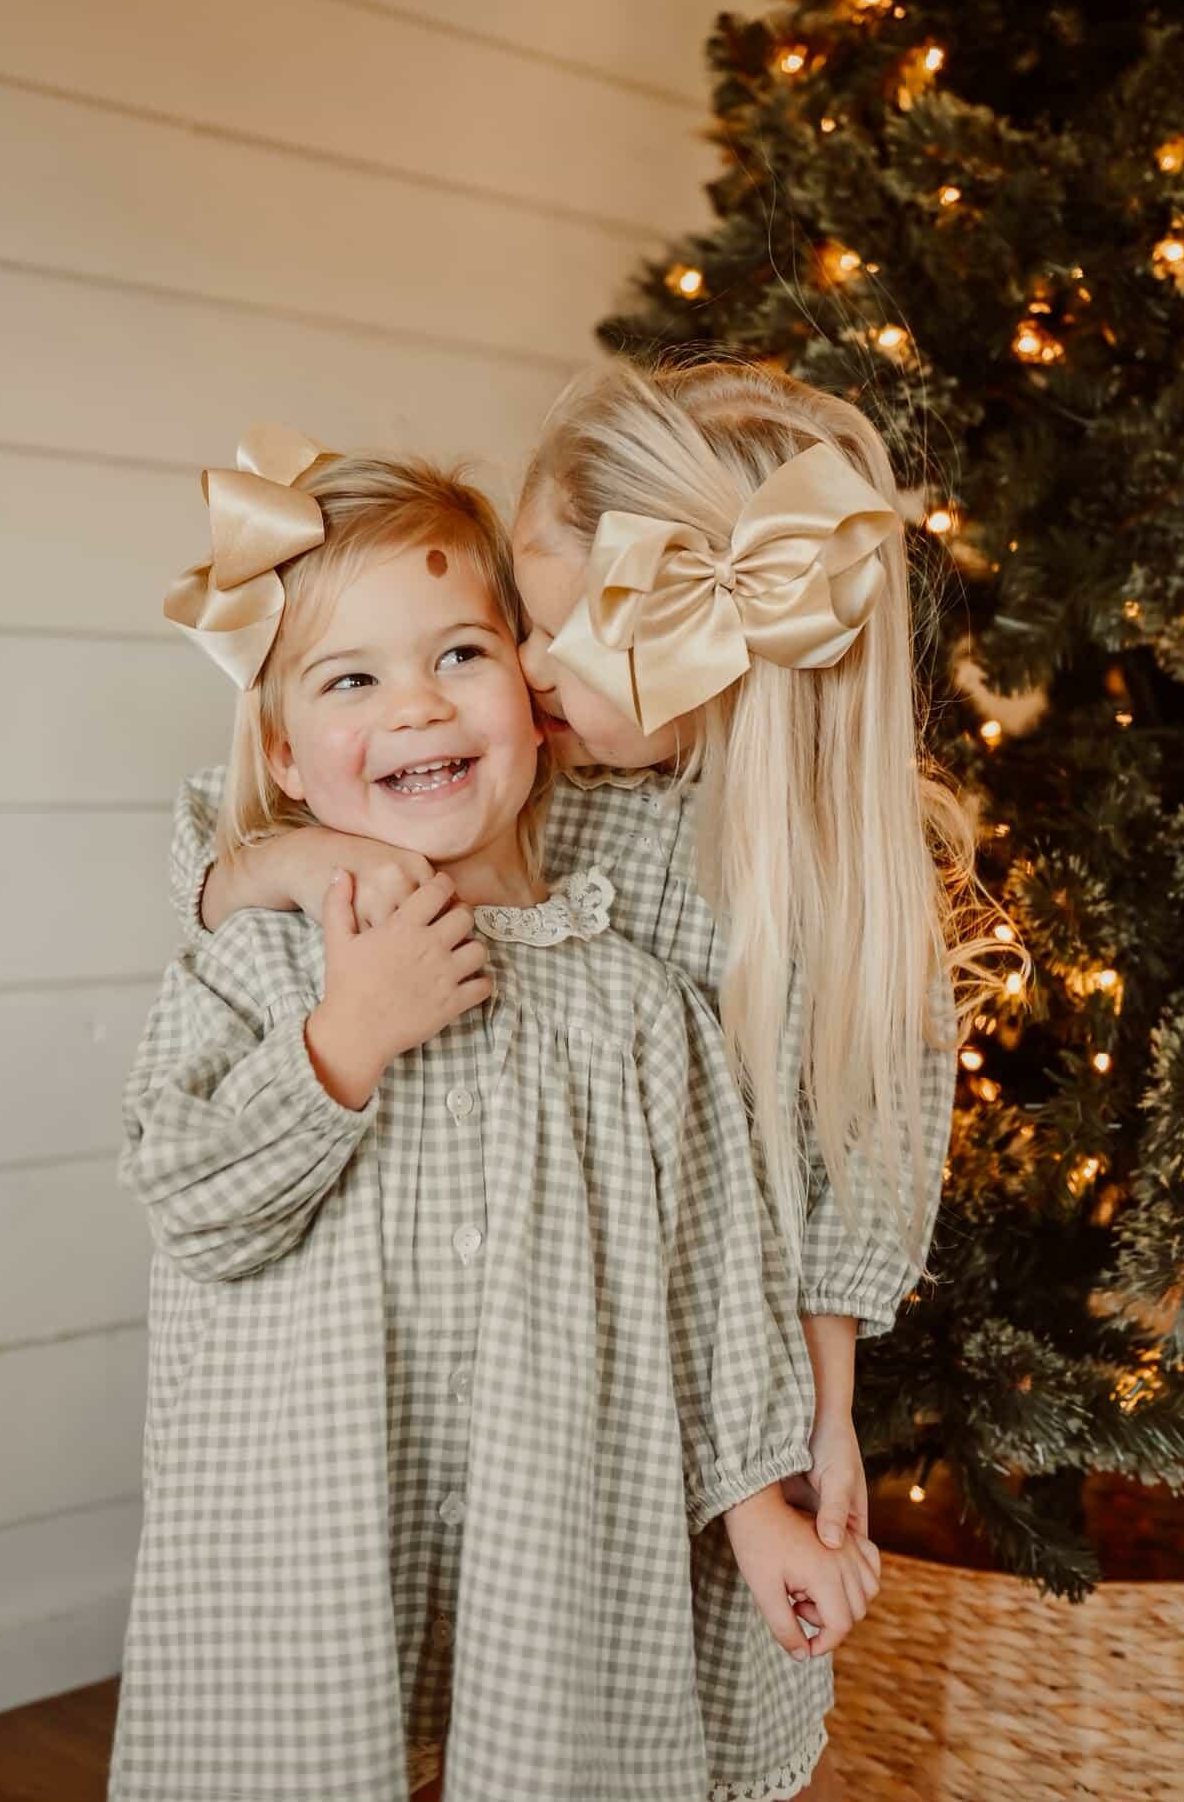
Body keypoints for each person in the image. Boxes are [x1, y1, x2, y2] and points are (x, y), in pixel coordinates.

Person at [111, 428, 884, 1802]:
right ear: (283, 751)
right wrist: (347, 1038)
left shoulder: (635, 1005)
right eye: (353, 678)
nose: (416, 707)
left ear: (532, 700)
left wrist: (757, 1503)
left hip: (554, 1537)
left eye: (459, 654)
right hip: (309, 1542)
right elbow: (190, 1199)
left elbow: (714, 1279)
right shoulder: (265, 956)